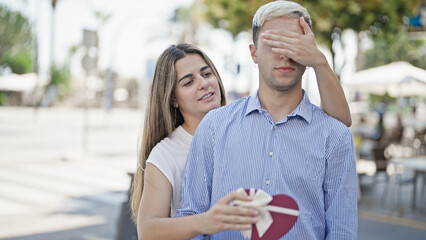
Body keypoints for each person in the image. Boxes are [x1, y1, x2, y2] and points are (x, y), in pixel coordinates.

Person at [131, 34, 352, 239]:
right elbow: (147, 230)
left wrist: (319, 62)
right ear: (173, 99)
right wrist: (205, 222)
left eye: (207, 74)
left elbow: (338, 125)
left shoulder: (247, 127)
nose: (203, 83)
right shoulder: (166, 153)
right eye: (188, 82)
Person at [176, 1, 357, 240]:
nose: (284, 54)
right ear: (254, 53)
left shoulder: (335, 137)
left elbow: (342, 232)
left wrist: (321, 62)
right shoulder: (213, 127)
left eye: (294, 44)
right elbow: (192, 216)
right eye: (273, 43)